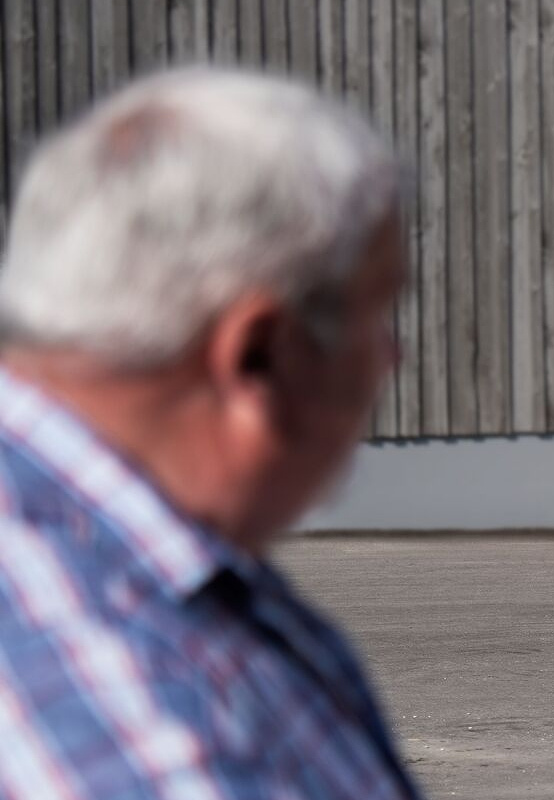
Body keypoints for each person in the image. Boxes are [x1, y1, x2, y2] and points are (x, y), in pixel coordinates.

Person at [0, 69, 418, 797]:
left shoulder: (168, 569)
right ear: (259, 354)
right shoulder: (139, 711)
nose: (393, 356)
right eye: (375, 315)